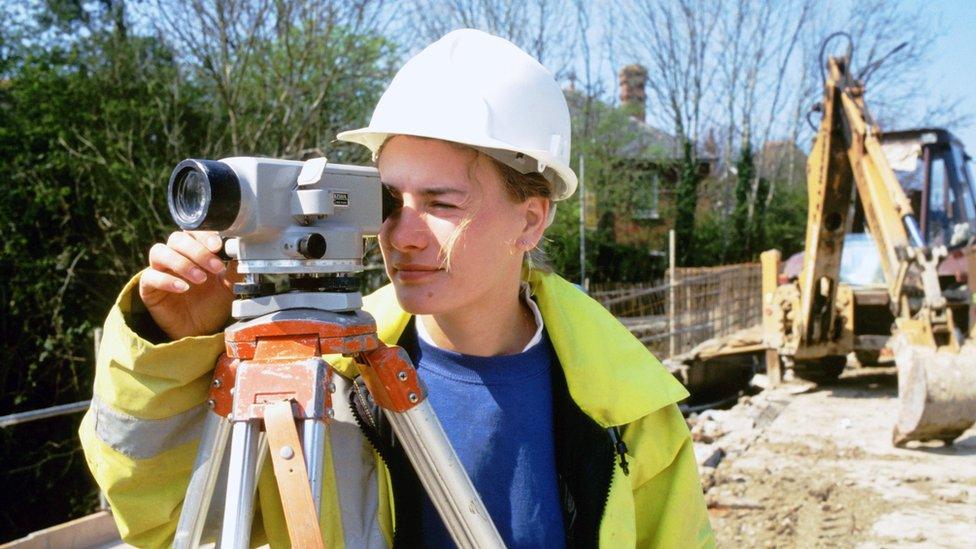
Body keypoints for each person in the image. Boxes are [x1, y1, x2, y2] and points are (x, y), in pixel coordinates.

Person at [80, 29, 714, 548]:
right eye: (389, 200)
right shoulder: (315, 379)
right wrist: (166, 342)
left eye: (440, 202)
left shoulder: (625, 403)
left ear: (531, 218)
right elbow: (163, 524)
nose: (402, 234)